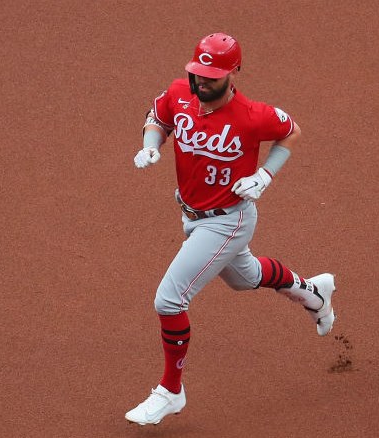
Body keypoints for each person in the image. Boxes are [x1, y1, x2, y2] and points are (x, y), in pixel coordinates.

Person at [125, 32, 338, 426]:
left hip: (229, 219)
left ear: (232, 73)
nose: (201, 82)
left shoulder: (253, 115)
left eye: (211, 77)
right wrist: (151, 144)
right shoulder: (179, 93)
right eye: (197, 73)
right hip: (192, 215)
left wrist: (265, 174)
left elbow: (291, 131)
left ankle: (170, 391)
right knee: (247, 277)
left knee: (169, 301)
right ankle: (314, 292)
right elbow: (158, 118)